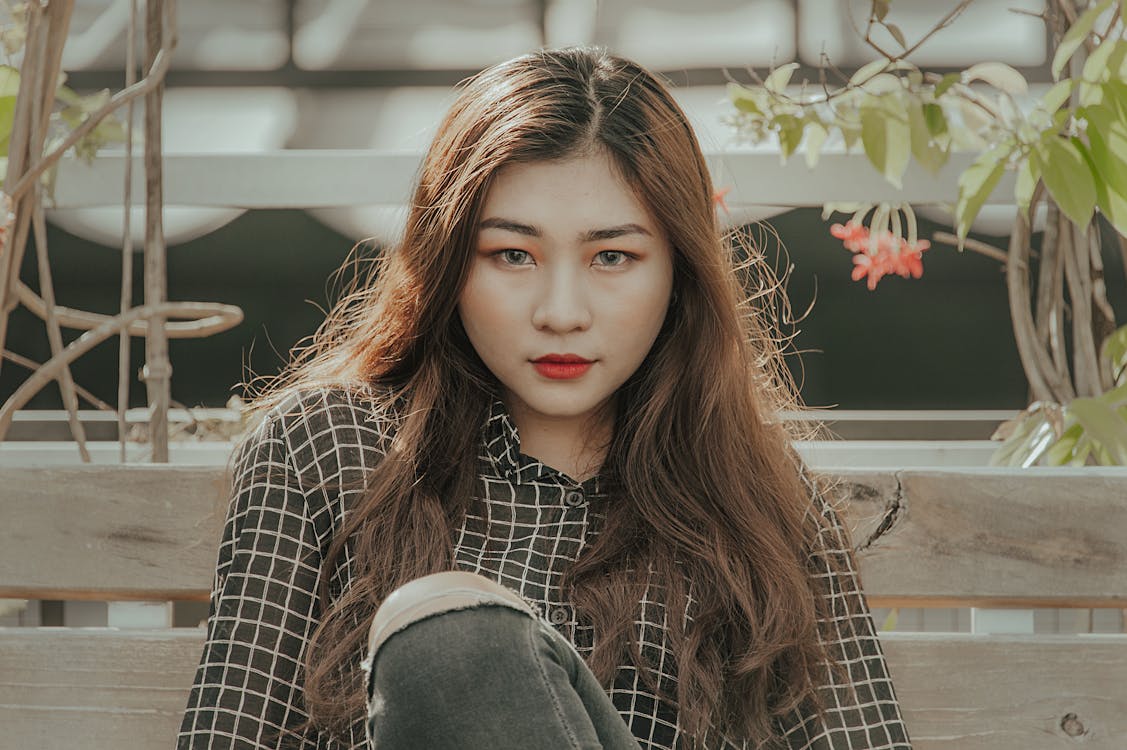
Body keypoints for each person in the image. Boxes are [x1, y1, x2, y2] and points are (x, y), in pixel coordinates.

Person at [178, 46, 911, 750]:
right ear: (449, 263)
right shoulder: (324, 449)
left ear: (677, 271)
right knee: (450, 643)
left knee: (451, 638)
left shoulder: (754, 492)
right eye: (513, 255)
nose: (562, 311)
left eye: (612, 257)